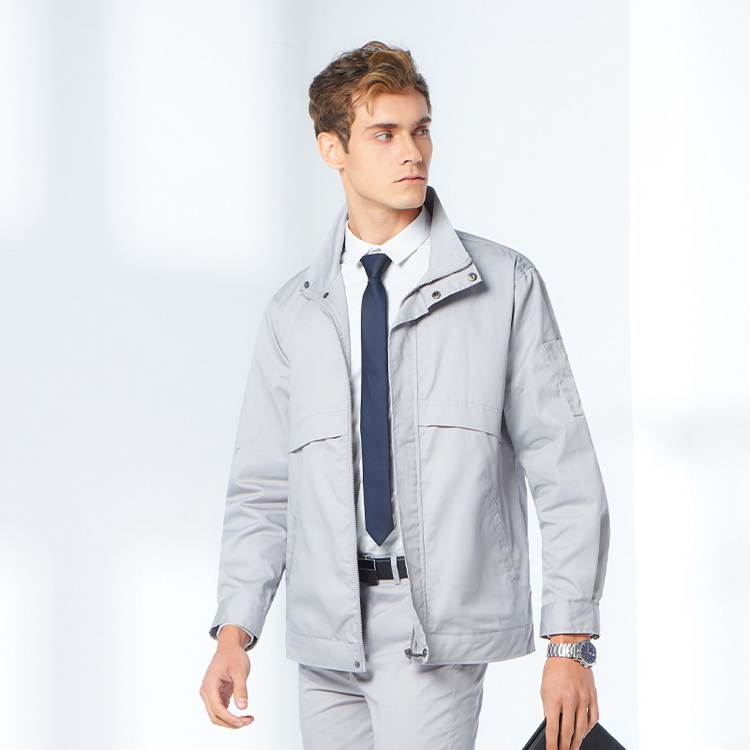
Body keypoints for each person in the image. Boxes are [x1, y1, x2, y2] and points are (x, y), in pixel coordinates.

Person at [199, 40, 610, 750]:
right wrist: (235, 631)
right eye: (384, 134)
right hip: (326, 634)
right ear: (333, 149)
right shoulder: (296, 311)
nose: (412, 152)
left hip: (435, 628)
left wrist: (569, 642)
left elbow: (564, 470)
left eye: (421, 130)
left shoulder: (503, 286)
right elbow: (262, 487)